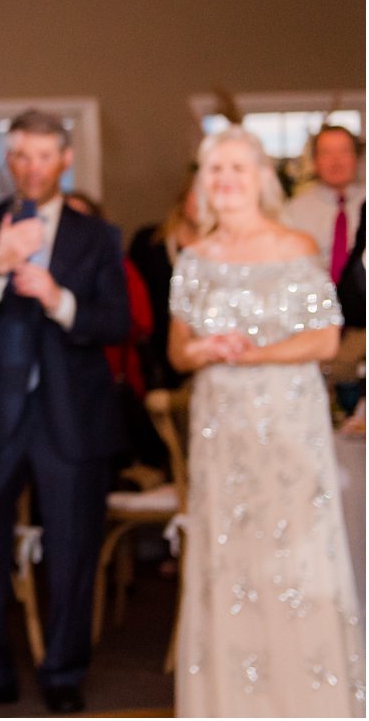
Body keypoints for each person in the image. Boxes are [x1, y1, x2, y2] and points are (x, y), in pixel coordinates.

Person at [168, 126, 364, 716]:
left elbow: (326, 337)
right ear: (203, 184)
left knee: (296, 553)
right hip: (219, 427)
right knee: (227, 557)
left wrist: (249, 352)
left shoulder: (295, 245)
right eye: (215, 170)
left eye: (236, 168)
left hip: (286, 423)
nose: (225, 180)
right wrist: (204, 351)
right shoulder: (194, 257)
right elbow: (178, 351)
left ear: (259, 179)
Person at [0, 109, 129, 714]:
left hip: (71, 416)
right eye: (21, 156)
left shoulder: (97, 237)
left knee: (73, 550)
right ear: (9, 160)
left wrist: (60, 299)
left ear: (66, 160)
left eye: (44, 156)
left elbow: (119, 323)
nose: (31, 168)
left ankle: (63, 672)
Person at [127, 173, 200, 393]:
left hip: (201, 364)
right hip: (154, 365)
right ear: (184, 197)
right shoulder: (149, 243)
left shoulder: (226, 255)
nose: (202, 203)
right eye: (196, 193)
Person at [283, 124, 364, 281]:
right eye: (326, 153)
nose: (336, 160)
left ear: (357, 158)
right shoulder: (293, 212)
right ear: (315, 161)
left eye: (344, 151)